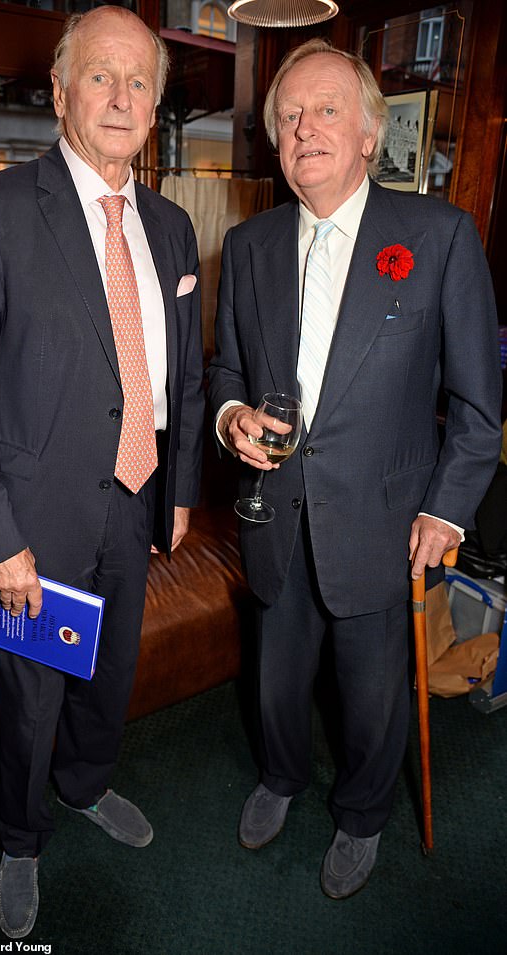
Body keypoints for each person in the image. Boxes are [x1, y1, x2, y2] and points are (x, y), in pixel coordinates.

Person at [0, 7, 204, 938]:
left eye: (138, 80)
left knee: (110, 675)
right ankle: (20, 836)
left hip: (134, 506)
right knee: (30, 698)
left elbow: (183, 376)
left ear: (158, 101)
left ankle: (86, 787)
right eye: (100, 76)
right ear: (60, 94)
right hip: (31, 528)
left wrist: (181, 492)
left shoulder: (169, 228)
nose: (121, 95)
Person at [208, 38, 502, 900]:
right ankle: (281, 776)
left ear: (371, 133)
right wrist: (229, 419)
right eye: (289, 116)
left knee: (374, 698)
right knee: (275, 678)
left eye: (327, 108)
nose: (305, 128)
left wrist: (447, 512)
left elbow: (480, 407)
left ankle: (364, 813)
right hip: (275, 511)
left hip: (385, 521)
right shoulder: (250, 243)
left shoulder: (440, 236)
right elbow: (225, 370)